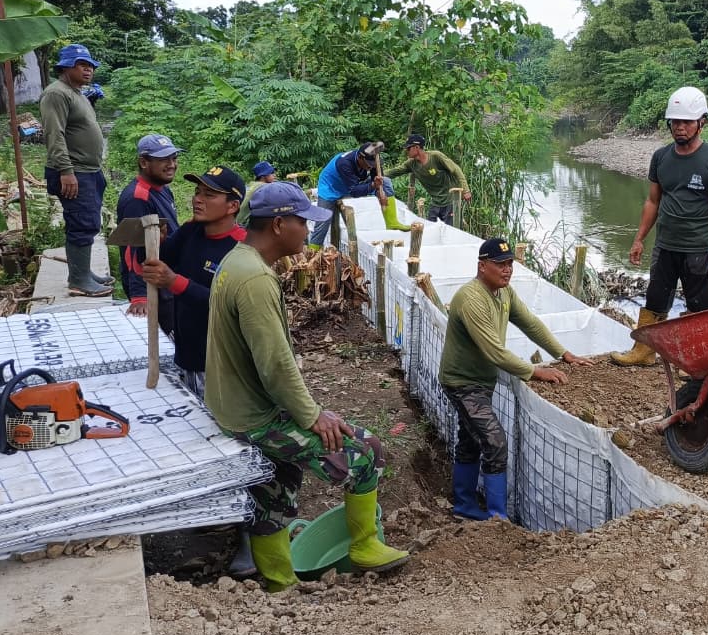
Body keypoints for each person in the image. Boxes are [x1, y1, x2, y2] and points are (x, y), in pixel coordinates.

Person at [206, 181, 409, 589]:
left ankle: (281, 582)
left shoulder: (237, 261)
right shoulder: (255, 281)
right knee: (365, 451)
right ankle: (364, 546)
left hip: (233, 406)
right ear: (279, 224)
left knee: (276, 489)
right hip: (256, 416)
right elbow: (276, 365)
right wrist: (313, 415)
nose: (308, 230)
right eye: (303, 222)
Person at [439, 238, 593, 520]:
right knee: (495, 441)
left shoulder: (504, 293)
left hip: (481, 382)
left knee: (471, 439)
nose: (507, 270)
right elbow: (495, 352)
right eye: (500, 264)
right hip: (462, 383)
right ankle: (497, 517)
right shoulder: (471, 299)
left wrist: (564, 353)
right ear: (482, 266)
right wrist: (536, 371)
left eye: (510, 263)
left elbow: (530, 323)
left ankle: (464, 506)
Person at [612, 86, 708, 366]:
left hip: (698, 248)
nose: (679, 128)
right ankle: (644, 351)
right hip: (665, 244)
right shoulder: (661, 157)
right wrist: (639, 238)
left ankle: (698, 360)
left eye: (686, 122)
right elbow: (653, 201)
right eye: (675, 122)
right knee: (655, 298)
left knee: (699, 307)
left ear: (701, 122)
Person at [142, 166, 247, 399]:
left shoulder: (241, 249)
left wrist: (174, 281)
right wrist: (157, 244)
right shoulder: (191, 231)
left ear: (233, 206)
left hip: (219, 363)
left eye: (209, 195)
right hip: (186, 351)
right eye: (197, 192)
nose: (198, 200)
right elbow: (167, 257)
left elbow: (229, 305)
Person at [39, 44, 113, 296]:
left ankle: (82, 272)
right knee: (81, 222)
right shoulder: (56, 93)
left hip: (88, 170)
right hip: (74, 170)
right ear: (66, 67)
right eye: (82, 65)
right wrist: (65, 170)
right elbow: (54, 133)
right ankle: (79, 280)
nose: (88, 70)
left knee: (89, 222)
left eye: (91, 66)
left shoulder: (77, 93)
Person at [116, 134, 182, 319]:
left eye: (174, 158)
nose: (171, 165)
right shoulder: (138, 198)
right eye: (163, 160)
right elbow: (132, 248)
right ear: (144, 162)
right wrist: (139, 295)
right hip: (153, 287)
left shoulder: (163, 190)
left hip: (166, 276)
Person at [308, 144, 395, 246]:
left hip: (352, 185)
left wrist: (381, 193)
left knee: (386, 182)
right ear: (360, 158)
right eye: (368, 164)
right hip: (330, 189)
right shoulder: (344, 163)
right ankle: (313, 252)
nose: (370, 167)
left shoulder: (373, 161)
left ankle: (392, 222)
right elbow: (354, 192)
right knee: (322, 223)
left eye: (372, 165)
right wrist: (373, 185)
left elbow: (377, 179)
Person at [385, 133, 471, 224]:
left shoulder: (436, 157)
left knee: (451, 232)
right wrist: (377, 175)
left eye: (408, 148)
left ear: (417, 147)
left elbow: (456, 170)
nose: (406, 151)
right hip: (435, 202)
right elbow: (394, 171)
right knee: (431, 229)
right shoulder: (411, 164)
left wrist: (466, 190)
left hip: (450, 201)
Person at [236, 160, 277, 227]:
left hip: (233, 221)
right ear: (263, 176)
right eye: (271, 173)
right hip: (240, 225)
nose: (274, 175)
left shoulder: (251, 184)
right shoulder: (264, 187)